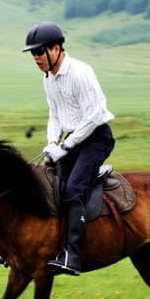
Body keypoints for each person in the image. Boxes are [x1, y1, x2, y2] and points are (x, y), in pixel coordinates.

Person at [22, 22, 116, 276]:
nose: (36, 58)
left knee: (73, 190)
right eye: (32, 54)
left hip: (96, 139)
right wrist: (52, 142)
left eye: (39, 52)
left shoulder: (80, 73)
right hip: (70, 141)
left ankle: (72, 256)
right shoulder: (48, 79)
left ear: (56, 48)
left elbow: (93, 117)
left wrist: (66, 146)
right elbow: (54, 114)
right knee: (47, 186)